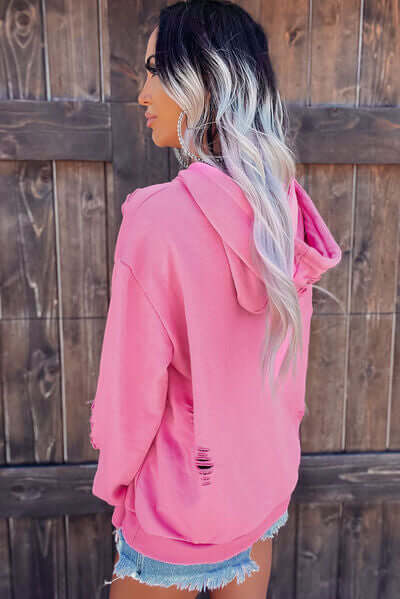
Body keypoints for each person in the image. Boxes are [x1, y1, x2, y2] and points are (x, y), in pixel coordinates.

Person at [89, 1, 342, 597]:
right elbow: (288, 375)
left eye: (157, 70)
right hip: (261, 486)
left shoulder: (157, 219)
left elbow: (130, 396)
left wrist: (116, 488)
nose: (142, 93)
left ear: (204, 81)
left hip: (176, 507)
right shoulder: (282, 210)